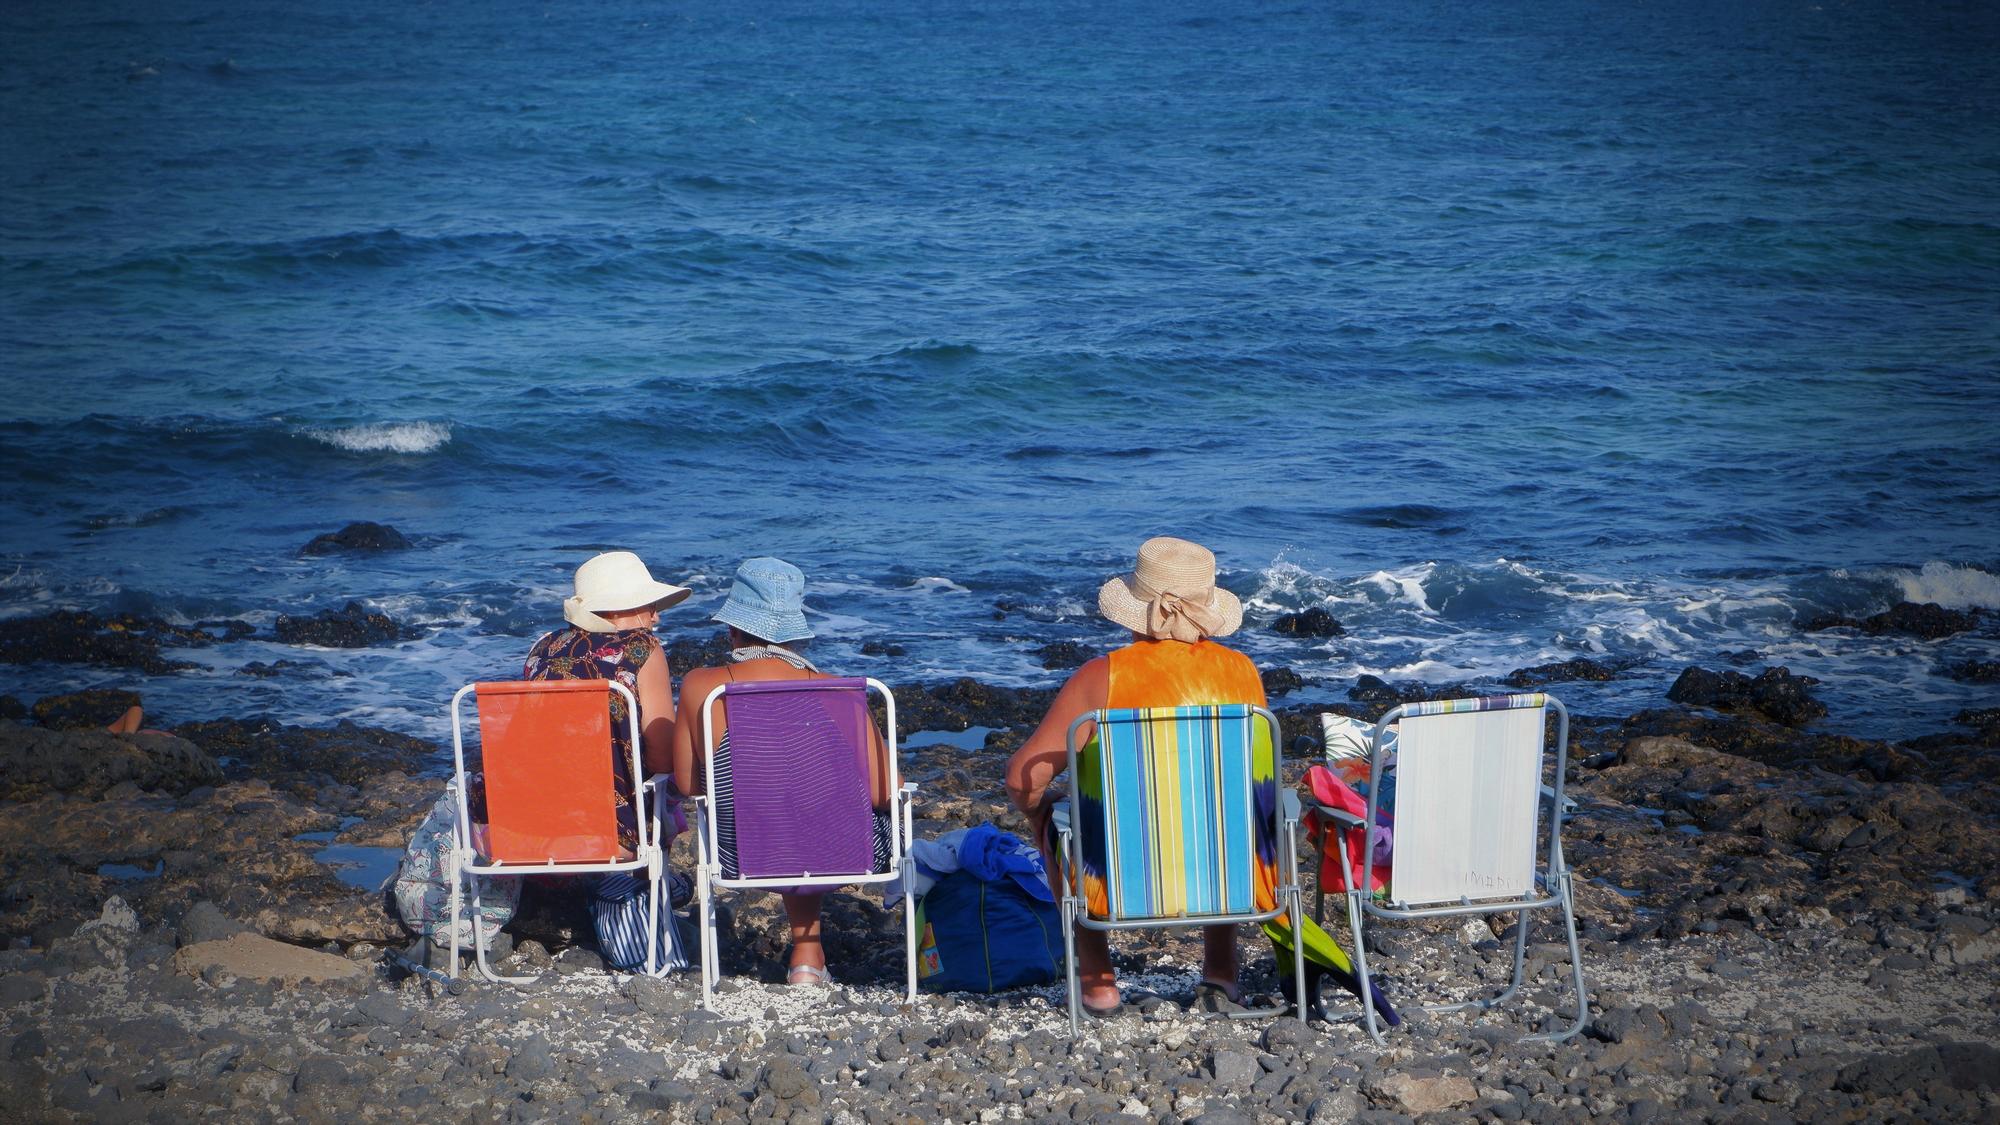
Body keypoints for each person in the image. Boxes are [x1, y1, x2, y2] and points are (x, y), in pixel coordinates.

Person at [1005, 536, 1269, 1017]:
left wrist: (1040, 815)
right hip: (1224, 868)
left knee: (1068, 823)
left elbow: (1024, 778)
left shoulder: (1102, 676)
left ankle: (1099, 984)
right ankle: (1222, 976)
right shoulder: (1242, 673)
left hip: (1120, 871)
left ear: (1136, 609)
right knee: (1221, 809)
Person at [672, 557, 892, 986]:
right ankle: (807, 956)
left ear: (733, 630)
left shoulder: (705, 686)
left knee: (778, 807)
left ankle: (807, 954)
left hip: (740, 853)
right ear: (796, 635)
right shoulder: (839, 691)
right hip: (844, 854)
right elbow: (884, 791)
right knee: (810, 805)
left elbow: (686, 784)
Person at [520, 549, 694, 972]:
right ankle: (646, 890)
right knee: (666, 788)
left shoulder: (543, 649)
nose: (656, 617)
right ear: (620, 609)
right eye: (649, 606)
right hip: (611, 830)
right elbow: (661, 752)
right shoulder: (642, 650)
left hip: (537, 821)